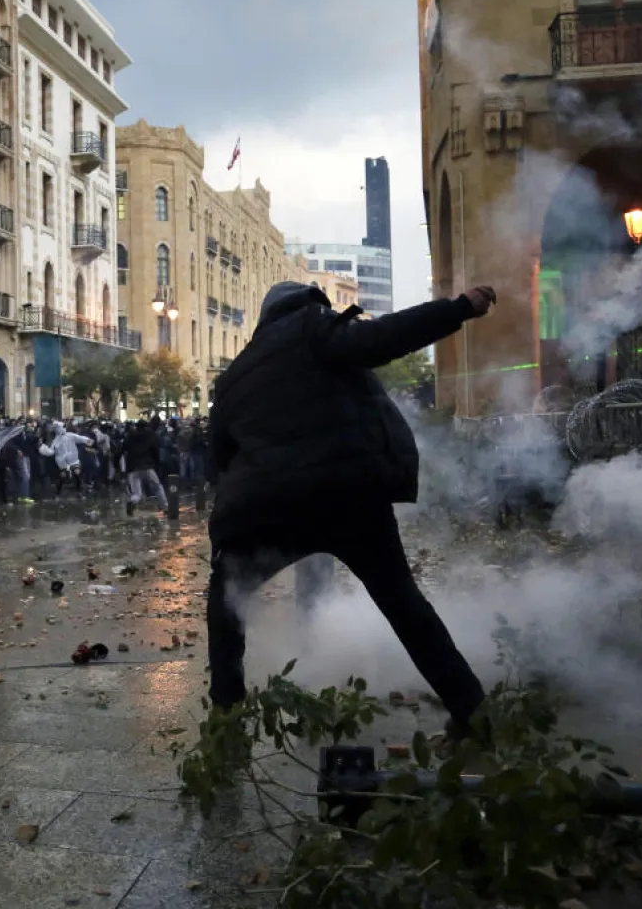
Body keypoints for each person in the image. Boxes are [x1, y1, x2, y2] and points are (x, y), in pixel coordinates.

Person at [204, 280, 498, 739]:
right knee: (404, 606)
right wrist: (458, 308)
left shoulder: (235, 374)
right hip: (350, 496)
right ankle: (472, 712)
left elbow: (219, 460)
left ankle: (226, 720)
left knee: (225, 599)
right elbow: (381, 338)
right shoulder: (313, 326)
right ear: (307, 303)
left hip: (273, 505)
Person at [122, 418, 167, 516]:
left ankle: (132, 501)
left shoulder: (129, 436)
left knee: (137, 493)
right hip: (147, 466)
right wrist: (157, 463)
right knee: (157, 487)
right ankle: (165, 507)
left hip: (133, 468)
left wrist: (120, 466)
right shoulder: (150, 435)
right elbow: (155, 450)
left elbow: (121, 450)